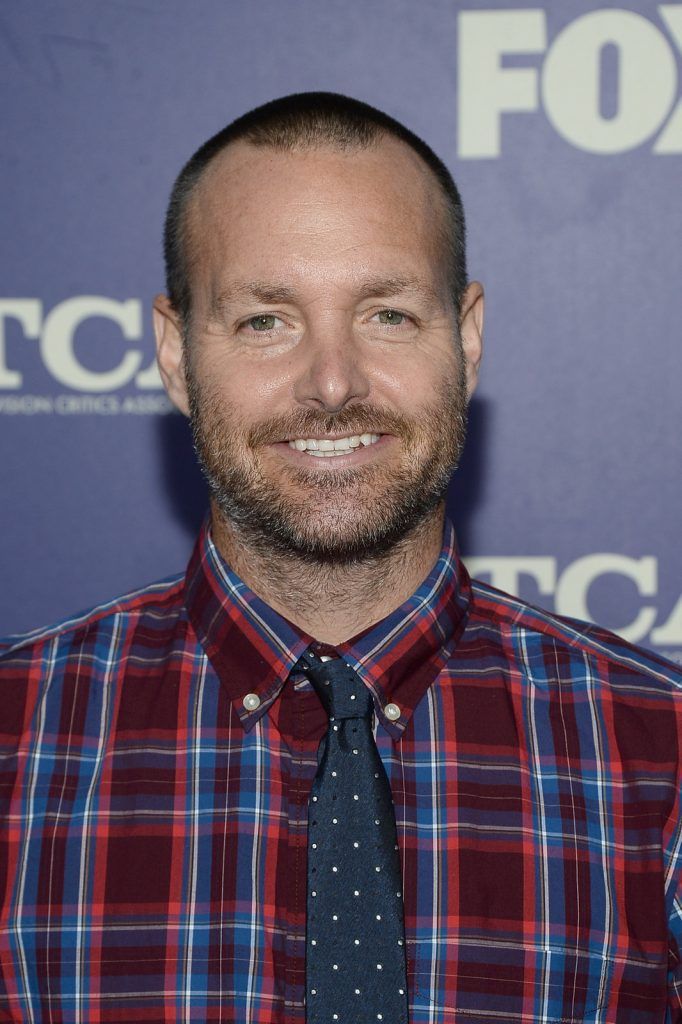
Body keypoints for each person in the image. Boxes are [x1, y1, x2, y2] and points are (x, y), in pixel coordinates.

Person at [0, 92, 680, 1024]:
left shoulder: (662, 752)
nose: (332, 383)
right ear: (171, 352)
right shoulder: (15, 739)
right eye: (266, 321)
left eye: (388, 315)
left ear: (467, 337)